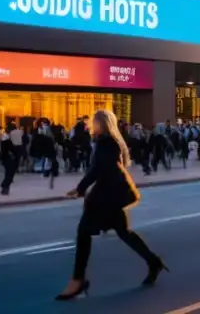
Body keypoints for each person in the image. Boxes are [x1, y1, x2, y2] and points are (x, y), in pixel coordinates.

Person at [55, 110, 168, 301]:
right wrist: (82, 188)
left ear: (102, 124)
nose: (91, 125)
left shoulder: (107, 143)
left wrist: (81, 188)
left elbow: (99, 169)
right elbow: (99, 169)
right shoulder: (107, 142)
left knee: (84, 232)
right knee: (123, 232)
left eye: (94, 122)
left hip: (107, 197)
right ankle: (153, 262)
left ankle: (78, 280)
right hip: (111, 195)